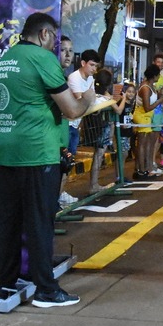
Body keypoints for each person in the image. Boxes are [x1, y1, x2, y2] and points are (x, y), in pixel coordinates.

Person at [0, 13, 94, 308]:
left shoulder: (7, 58)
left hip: (8, 149)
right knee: (40, 223)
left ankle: (4, 283)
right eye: (54, 39)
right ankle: (46, 290)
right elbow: (72, 110)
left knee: (9, 223)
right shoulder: (42, 58)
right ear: (45, 34)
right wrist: (89, 98)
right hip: (37, 151)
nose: (55, 47)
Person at [60, 49, 100, 208]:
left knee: (68, 163)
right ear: (83, 63)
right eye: (92, 65)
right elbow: (81, 100)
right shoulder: (74, 78)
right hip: (67, 125)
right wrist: (90, 100)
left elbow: (92, 100)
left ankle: (60, 194)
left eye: (96, 66)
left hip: (76, 125)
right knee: (64, 163)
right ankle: (57, 197)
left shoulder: (90, 78)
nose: (94, 69)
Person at [87, 69, 128, 194]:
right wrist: (124, 98)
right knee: (98, 156)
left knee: (97, 155)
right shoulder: (105, 97)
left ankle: (94, 184)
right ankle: (94, 185)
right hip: (103, 129)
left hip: (93, 128)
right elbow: (118, 110)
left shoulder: (93, 93)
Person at [130, 64, 161, 179]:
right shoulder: (145, 88)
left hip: (148, 116)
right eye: (158, 75)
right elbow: (147, 107)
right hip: (142, 116)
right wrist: (160, 101)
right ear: (154, 76)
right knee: (142, 144)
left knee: (147, 144)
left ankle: (147, 168)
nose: (159, 77)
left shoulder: (151, 86)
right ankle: (141, 170)